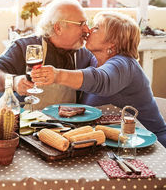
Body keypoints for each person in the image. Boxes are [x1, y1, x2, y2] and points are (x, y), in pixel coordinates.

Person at [32, 11, 166, 147]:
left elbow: (101, 80)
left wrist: (57, 75)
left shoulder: (124, 65)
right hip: (113, 142)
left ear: (112, 43)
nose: (89, 30)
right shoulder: (95, 59)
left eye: (96, 28)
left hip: (148, 144)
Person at [0, 0, 94, 108]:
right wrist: (14, 82)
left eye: (86, 23)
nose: (87, 29)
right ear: (58, 28)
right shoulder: (24, 46)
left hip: (68, 123)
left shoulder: (84, 54)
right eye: (81, 24)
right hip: (28, 122)